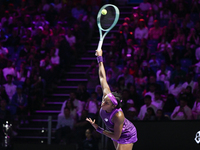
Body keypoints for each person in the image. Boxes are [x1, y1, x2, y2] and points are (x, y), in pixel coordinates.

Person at [86, 49, 137, 150]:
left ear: (113, 106)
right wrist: (99, 58)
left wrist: (98, 129)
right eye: (104, 99)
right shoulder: (107, 94)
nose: (103, 102)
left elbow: (116, 137)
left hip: (126, 134)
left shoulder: (118, 115)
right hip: (113, 130)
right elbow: (102, 77)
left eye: (106, 102)